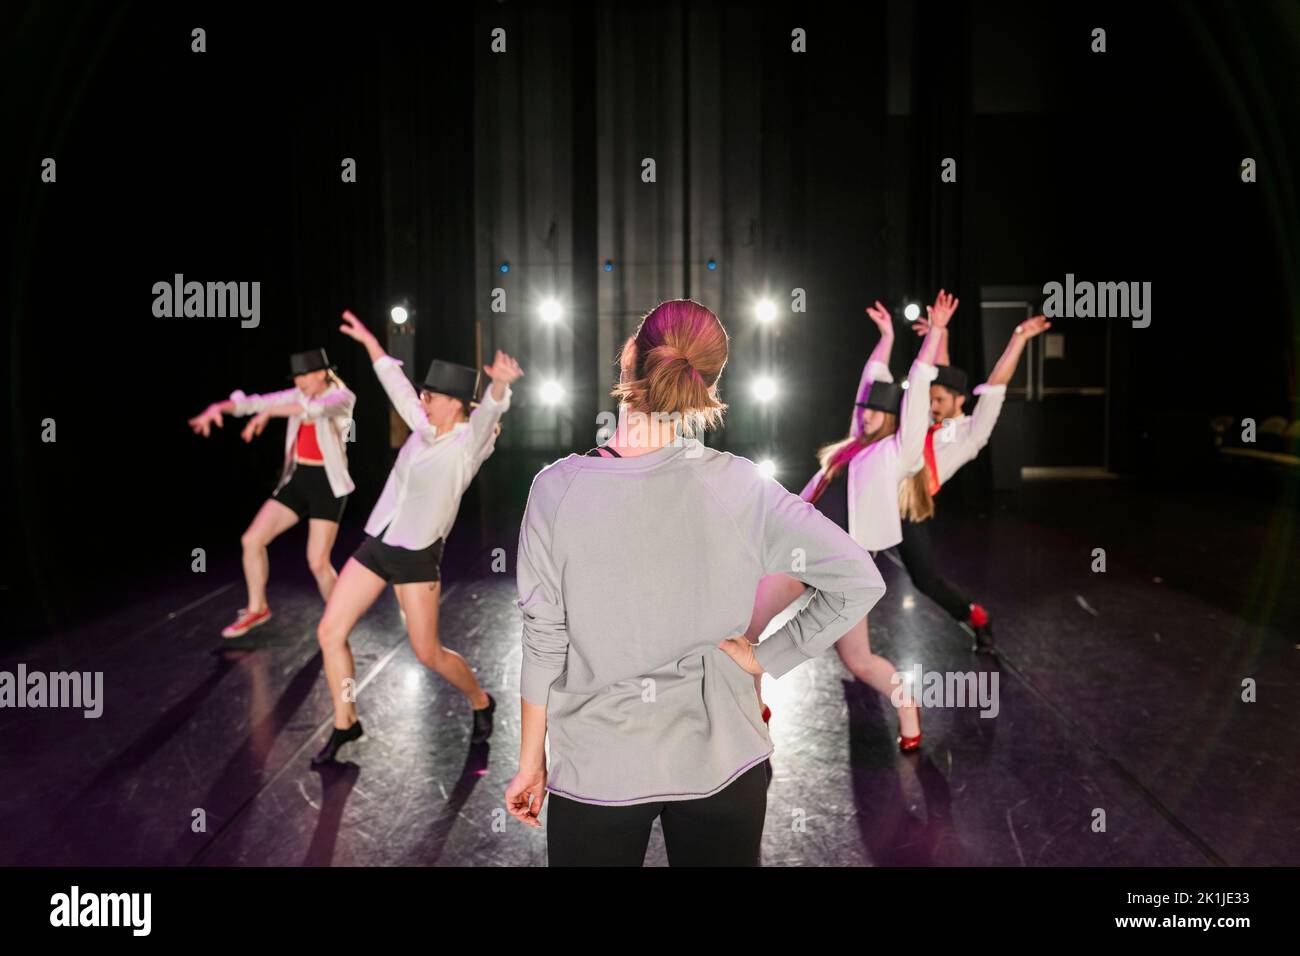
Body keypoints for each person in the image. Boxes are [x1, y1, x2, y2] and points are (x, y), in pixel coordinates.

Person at [504, 299, 884, 866]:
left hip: (599, 771)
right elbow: (859, 577)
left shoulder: (556, 490)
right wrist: (768, 656)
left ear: (631, 356)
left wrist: (531, 762)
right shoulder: (741, 487)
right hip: (725, 766)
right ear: (706, 381)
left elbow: (543, 641)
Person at [743, 291, 954, 752]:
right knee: (760, 632)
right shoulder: (846, 450)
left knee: (853, 658)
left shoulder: (897, 452)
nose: (866, 413)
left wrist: (935, 333)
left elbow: (915, 395)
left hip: (838, 563)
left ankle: (906, 708)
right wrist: (887, 337)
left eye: (877, 409)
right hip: (806, 555)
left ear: (894, 417)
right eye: (864, 408)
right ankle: (754, 710)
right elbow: (870, 381)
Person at [309, 310, 522, 765]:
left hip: (417, 557)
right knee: (330, 631)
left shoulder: (468, 445)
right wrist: (369, 340)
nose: (422, 399)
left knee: (427, 652)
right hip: (377, 544)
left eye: (431, 394)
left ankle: (482, 701)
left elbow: (490, 415)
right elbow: (394, 383)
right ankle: (346, 722)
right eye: (424, 392)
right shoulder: (423, 425)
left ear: (455, 403)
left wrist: (500, 386)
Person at [893, 301, 1052, 652]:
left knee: (925, 580)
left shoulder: (969, 432)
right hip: (879, 491)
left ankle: (976, 615)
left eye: (938, 400)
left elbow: (996, 384)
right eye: (929, 399)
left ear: (958, 401)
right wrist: (942, 332)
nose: (931, 405)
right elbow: (945, 372)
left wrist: (1019, 338)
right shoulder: (927, 422)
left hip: (910, 506)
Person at [188, 348, 356, 638]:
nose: (299, 382)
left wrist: (269, 413)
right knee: (252, 540)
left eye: (304, 375)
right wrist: (217, 408)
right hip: (298, 478)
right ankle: (257, 608)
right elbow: (252, 403)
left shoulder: (342, 397)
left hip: (328, 485)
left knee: (317, 561)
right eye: (296, 377)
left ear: (321, 373)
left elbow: (313, 410)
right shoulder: (297, 395)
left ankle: (338, 619)